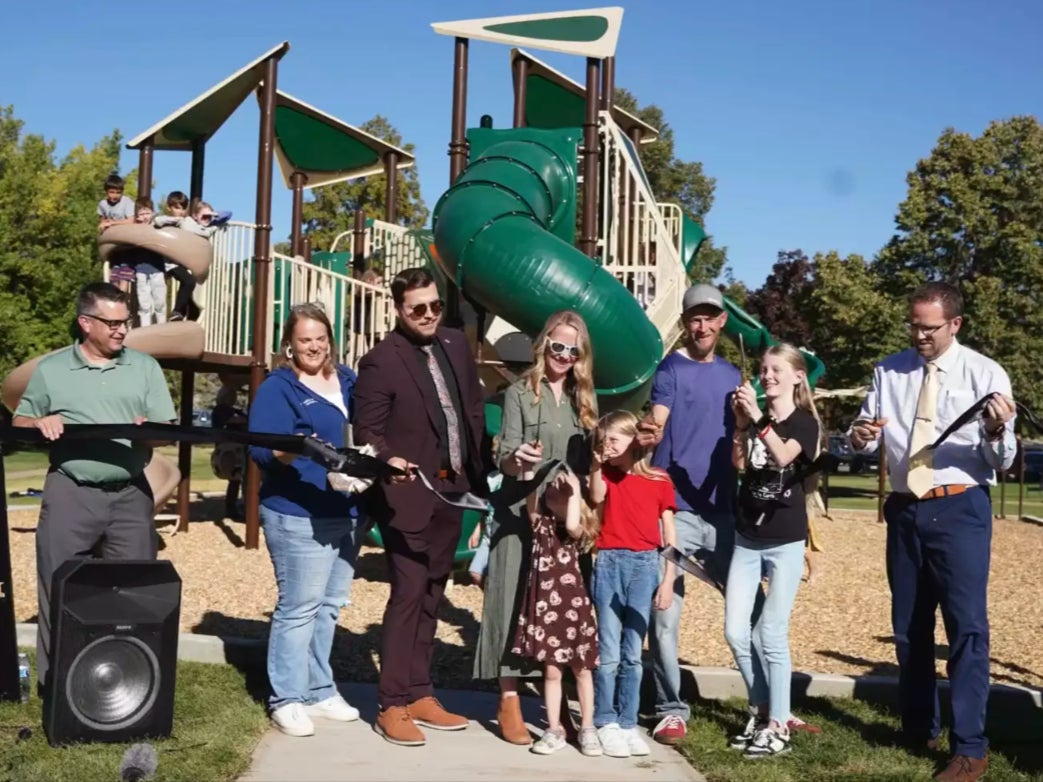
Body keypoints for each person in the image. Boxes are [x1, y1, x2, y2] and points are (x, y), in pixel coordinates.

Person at [848, 282, 1016, 782]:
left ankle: (970, 749)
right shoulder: (888, 369)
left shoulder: (985, 373)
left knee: (966, 629)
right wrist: (859, 436)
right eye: (914, 325)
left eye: (929, 327)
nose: (919, 335)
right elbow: (864, 436)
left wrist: (993, 431)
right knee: (909, 629)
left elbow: (1002, 460)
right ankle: (919, 727)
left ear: (955, 324)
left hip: (960, 507)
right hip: (903, 510)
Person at [12, 282, 176, 694]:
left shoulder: (144, 367)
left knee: (136, 592)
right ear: (86, 323)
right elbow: (19, 423)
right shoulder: (52, 370)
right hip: (71, 493)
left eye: (126, 322)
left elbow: (166, 433)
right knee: (59, 587)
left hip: (130, 496)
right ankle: (56, 688)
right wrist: (40, 423)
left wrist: (150, 432)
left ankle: (133, 687)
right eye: (113, 323)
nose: (122, 331)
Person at [353, 267, 489, 747]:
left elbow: (472, 409)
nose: (429, 315)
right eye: (418, 309)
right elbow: (366, 431)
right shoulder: (380, 361)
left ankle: (419, 692)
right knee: (408, 593)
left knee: (434, 590)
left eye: (434, 306)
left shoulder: (455, 344)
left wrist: (483, 474)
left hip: (453, 491)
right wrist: (389, 458)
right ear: (399, 310)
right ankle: (390, 703)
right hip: (405, 495)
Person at [472, 310, 598, 747]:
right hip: (518, 513)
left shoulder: (584, 400)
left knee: (559, 609)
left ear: (581, 354)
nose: (563, 355)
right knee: (511, 600)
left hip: (563, 523)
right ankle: (508, 697)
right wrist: (519, 460)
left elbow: (586, 465)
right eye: (556, 346)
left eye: (572, 348)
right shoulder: (520, 394)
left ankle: (556, 695)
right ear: (543, 345)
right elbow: (504, 458)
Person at [247, 303, 365, 738]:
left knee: (329, 607)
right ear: (289, 345)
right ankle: (287, 698)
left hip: (346, 510)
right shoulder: (279, 388)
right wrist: (296, 448)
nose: (313, 346)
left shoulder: (349, 380)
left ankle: (319, 689)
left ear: (330, 339)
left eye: (320, 338)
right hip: (296, 513)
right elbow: (260, 450)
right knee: (299, 608)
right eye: (304, 340)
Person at [637, 283, 742, 745]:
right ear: (685, 324)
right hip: (673, 510)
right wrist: (650, 432)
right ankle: (670, 709)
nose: (701, 325)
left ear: (721, 322)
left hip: (722, 512)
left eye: (709, 317)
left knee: (750, 610)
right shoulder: (671, 370)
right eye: (693, 318)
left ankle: (769, 707)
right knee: (663, 616)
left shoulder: (734, 376)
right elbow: (658, 416)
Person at [725, 344, 821, 758]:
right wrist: (739, 424)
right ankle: (762, 709)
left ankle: (778, 724)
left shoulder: (804, 423)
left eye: (777, 369)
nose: (767, 376)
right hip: (747, 536)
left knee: (770, 633)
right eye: (763, 369)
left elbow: (784, 458)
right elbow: (741, 465)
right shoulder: (756, 417)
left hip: (785, 538)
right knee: (735, 631)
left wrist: (759, 419)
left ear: (798, 376)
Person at [588, 410, 678, 759]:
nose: (607, 445)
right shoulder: (606, 475)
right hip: (609, 562)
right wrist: (596, 466)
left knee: (632, 652)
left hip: (644, 564)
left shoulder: (658, 479)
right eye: (603, 439)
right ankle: (605, 719)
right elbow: (595, 498)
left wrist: (668, 579)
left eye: (613, 438)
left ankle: (628, 722)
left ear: (631, 439)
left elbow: (669, 534)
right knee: (608, 649)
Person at [511, 464, 601, 757]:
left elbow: (574, 523)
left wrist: (573, 492)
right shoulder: (541, 526)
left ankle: (587, 727)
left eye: (561, 495)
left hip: (574, 610)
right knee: (551, 672)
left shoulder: (577, 530)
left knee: (582, 671)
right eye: (552, 493)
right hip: (546, 605)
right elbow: (530, 501)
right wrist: (529, 473)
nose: (556, 496)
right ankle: (554, 728)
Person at [152, 191, 199, 321]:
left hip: (182, 261)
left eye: (184, 208)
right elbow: (157, 221)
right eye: (177, 208)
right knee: (189, 281)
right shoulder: (166, 222)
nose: (181, 212)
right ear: (169, 207)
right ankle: (178, 311)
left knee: (189, 285)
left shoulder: (186, 224)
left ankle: (189, 310)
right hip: (169, 263)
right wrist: (177, 220)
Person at [129, 198, 168, 327]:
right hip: (141, 270)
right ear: (137, 215)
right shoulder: (134, 229)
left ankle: (161, 328)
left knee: (160, 302)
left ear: (153, 213)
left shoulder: (157, 227)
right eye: (142, 214)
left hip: (157, 269)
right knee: (144, 304)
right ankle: (145, 329)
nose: (145, 217)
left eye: (147, 213)